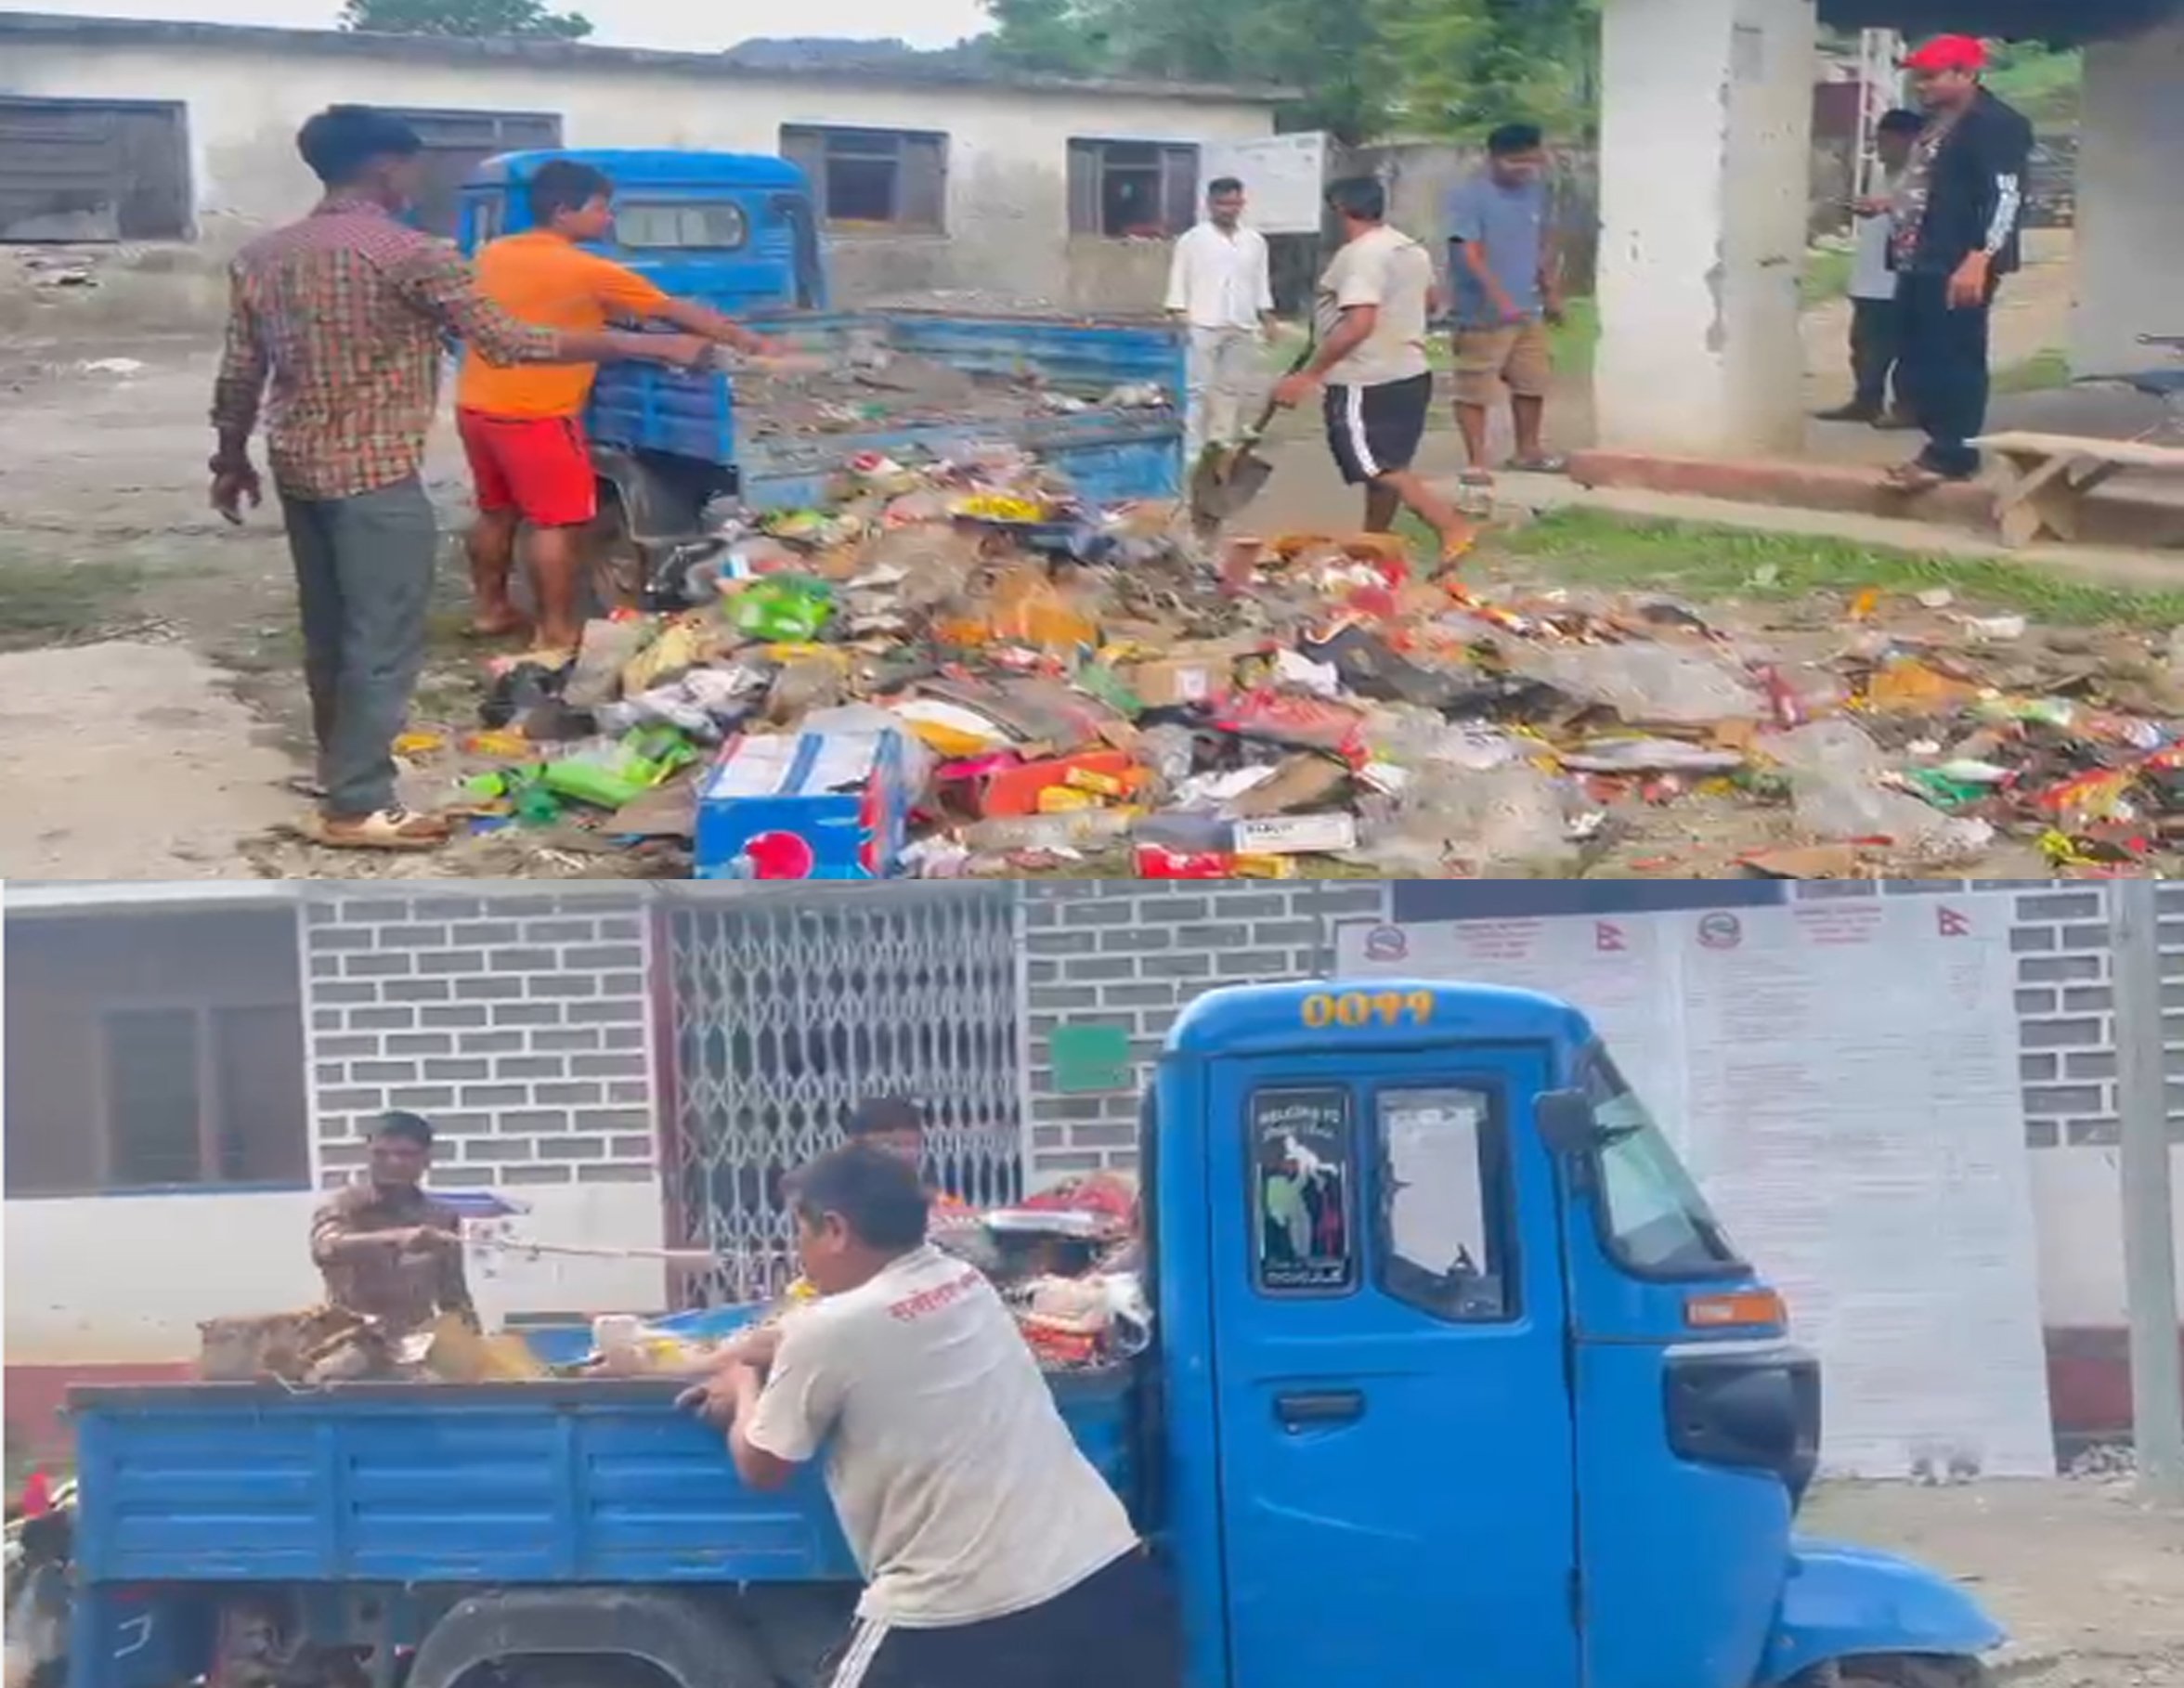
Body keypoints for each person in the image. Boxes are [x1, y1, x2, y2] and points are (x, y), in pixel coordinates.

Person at [209, 106, 708, 852]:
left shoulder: (263, 255)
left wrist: (229, 457)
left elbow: (241, 370)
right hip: (376, 475)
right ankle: (357, 806)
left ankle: (340, 772)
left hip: (299, 469)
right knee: (382, 639)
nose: (416, 181)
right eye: (412, 168)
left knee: (330, 632)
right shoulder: (411, 254)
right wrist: (648, 347)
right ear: (385, 167)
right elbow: (508, 341)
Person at [679, 1146, 1179, 1688]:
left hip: (958, 1611)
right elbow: (860, 1330)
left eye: (800, 1232)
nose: (799, 1253)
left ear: (836, 1229)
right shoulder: (962, 1281)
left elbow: (763, 1465)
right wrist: (745, 1350)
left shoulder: (827, 1331)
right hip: (1105, 1583)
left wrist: (740, 1385)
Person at [460, 159, 776, 656]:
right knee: (557, 524)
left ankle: (490, 610)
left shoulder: (493, 254)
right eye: (600, 209)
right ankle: (556, 632)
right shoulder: (589, 269)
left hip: (477, 405)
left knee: (496, 513)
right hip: (538, 414)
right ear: (564, 212)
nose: (608, 219)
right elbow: (677, 312)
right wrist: (748, 341)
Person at [1272, 176, 1476, 563]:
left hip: (1365, 377)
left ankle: (1450, 525)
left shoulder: (1361, 255)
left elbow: (1359, 324)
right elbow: (1433, 301)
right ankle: (1374, 544)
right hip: (1410, 371)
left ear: (1339, 209)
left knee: (1374, 465)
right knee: (1389, 466)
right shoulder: (1409, 248)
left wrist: (1310, 375)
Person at [1883, 36, 2034, 490]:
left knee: (1955, 355)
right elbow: (1938, 185)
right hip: (1921, 255)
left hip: (1960, 260)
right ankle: (1938, 443)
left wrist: (1980, 257)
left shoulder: (1995, 124)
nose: (1921, 85)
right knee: (1921, 352)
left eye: (1931, 76)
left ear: (1966, 75)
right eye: (1918, 77)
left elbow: (2006, 197)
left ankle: (1953, 453)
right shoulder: (1942, 121)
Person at [1444, 123, 1565, 477]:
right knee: (1475, 387)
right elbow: (1469, 253)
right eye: (1515, 162)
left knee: (1532, 381)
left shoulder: (1535, 192)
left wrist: (1551, 291)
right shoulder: (1469, 197)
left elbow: (1540, 244)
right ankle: (1477, 462)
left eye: (1531, 161)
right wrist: (1501, 299)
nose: (1524, 169)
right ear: (1493, 158)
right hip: (1482, 313)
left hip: (1528, 307)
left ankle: (1528, 451)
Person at [308, 1111, 474, 1338]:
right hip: (351, 1337)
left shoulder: (440, 1216)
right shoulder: (344, 1206)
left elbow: (453, 1294)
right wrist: (396, 1239)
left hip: (415, 1338)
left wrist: (475, 1343)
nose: (392, 1162)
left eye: (405, 1154)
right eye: (380, 1154)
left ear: (426, 1159)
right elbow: (326, 1248)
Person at [1816, 109, 1924, 426]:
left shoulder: (1921, 177)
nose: (1880, 149)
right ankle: (1866, 401)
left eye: (1887, 141)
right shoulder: (1879, 174)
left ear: (1910, 141)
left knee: (1905, 349)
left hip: (1901, 276)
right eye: (1879, 141)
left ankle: (1908, 406)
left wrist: (1889, 208)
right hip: (1870, 273)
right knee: (1863, 346)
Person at [1164, 175, 1275, 466]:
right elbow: (1178, 279)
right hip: (1202, 320)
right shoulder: (1193, 240)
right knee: (1196, 389)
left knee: (1231, 388)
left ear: (1242, 203)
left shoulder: (1254, 241)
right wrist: (1178, 313)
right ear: (1210, 204)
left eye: (1234, 203)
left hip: (1242, 321)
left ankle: (1220, 442)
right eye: (1223, 203)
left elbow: (1260, 281)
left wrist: (1267, 316)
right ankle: (1191, 448)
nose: (1229, 209)